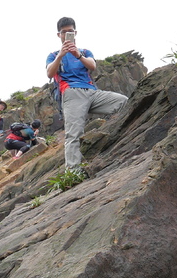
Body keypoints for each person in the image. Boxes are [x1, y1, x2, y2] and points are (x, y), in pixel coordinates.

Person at [46, 17, 128, 169]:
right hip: (72, 93)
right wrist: (60, 56)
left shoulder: (84, 51)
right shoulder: (53, 55)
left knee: (124, 102)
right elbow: (50, 73)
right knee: (73, 134)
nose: (67, 35)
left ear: (75, 33)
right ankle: (73, 172)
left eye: (70, 31)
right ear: (59, 35)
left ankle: (126, 142)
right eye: (64, 32)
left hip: (92, 92)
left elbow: (92, 66)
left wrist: (77, 54)